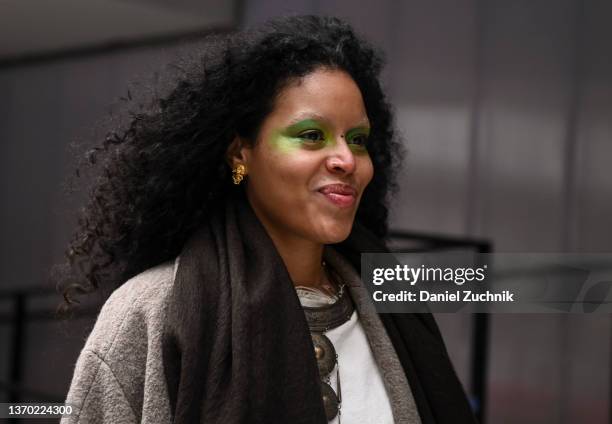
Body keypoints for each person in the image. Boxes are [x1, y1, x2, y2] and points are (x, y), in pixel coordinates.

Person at [59, 15, 476, 424]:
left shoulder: (396, 305)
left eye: (358, 140)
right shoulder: (151, 310)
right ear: (241, 153)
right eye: (312, 135)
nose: (347, 160)